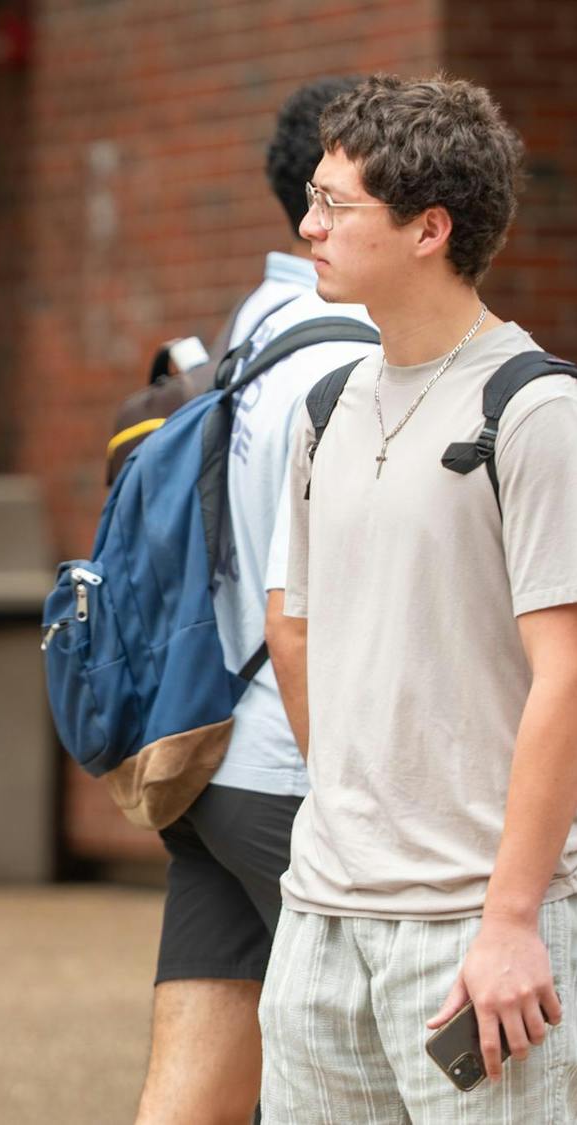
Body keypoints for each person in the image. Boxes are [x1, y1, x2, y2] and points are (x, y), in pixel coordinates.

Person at [260, 74, 577, 1121]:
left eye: (337, 207)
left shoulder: (533, 411)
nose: (309, 225)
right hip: (319, 922)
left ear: (429, 228)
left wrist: (512, 920)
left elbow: (566, 678)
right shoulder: (323, 406)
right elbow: (295, 630)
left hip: (476, 932)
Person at [134, 77, 377, 1125]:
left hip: (207, 754)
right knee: (371, 1076)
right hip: (295, 769)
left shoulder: (262, 320)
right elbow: (326, 608)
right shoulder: (350, 356)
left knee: (193, 1090)